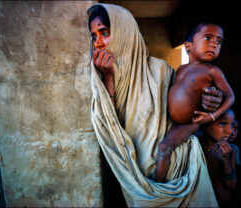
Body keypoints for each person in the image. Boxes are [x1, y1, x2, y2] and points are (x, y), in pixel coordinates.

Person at [88, 4, 222, 207]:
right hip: (132, 174)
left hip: (171, 170)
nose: (98, 43)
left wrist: (210, 101)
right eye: (94, 36)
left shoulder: (160, 70)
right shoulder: (98, 75)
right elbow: (110, 126)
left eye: (105, 33)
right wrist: (108, 77)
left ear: (125, 32)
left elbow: (185, 110)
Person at [155, 22, 235, 182]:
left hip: (188, 123)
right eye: (208, 38)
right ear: (187, 46)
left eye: (219, 41)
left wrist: (211, 117)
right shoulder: (181, 69)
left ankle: (158, 186)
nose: (214, 44)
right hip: (170, 121)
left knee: (164, 148)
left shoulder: (212, 71)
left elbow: (230, 97)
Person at [200, 109, 237, 208]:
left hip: (222, 201)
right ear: (205, 124)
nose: (229, 131)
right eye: (222, 124)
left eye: (231, 125)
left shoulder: (230, 150)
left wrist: (226, 161)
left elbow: (231, 185)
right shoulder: (195, 147)